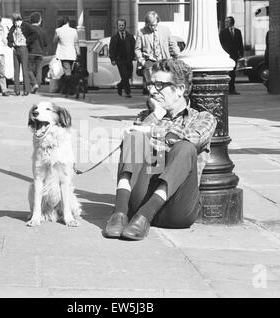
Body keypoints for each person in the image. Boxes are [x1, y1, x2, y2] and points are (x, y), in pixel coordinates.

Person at [103, 58, 217, 241]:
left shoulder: (203, 118)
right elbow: (136, 138)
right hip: (138, 204)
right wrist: (156, 116)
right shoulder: (145, 117)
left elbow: (191, 137)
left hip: (177, 209)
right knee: (134, 137)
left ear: (180, 89)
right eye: (150, 84)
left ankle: (147, 215)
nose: (152, 90)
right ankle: (119, 213)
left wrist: (152, 132)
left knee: (185, 148)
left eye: (159, 85)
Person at [134, 11, 180, 95]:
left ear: (158, 21)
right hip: (149, 60)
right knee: (152, 84)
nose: (153, 27)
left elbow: (172, 44)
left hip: (163, 59)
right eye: (150, 25)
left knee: (165, 82)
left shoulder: (165, 30)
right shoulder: (141, 32)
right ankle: (152, 97)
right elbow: (137, 50)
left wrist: (178, 55)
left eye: (154, 24)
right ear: (147, 23)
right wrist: (142, 61)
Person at [53, 16, 80, 96]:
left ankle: (70, 90)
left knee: (67, 72)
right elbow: (76, 43)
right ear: (68, 22)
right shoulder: (74, 31)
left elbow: (54, 41)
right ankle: (69, 89)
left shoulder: (58, 30)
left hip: (63, 54)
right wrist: (78, 53)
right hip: (72, 54)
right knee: (70, 71)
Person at [109, 18, 136, 98]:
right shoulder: (114, 37)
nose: (121, 27)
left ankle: (120, 85)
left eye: (122, 25)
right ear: (117, 26)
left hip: (129, 59)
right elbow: (111, 49)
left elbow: (134, 47)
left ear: (125, 26)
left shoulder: (130, 37)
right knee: (124, 75)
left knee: (128, 75)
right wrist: (112, 59)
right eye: (119, 25)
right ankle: (128, 92)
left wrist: (134, 56)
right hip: (119, 60)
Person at [7, 12, 32, 96]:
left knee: (24, 70)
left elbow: (34, 34)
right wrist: (10, 44)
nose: (14, 23)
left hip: (23, 48)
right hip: (15, 49)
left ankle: (26, 90)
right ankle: (16, 90)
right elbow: (9, 36)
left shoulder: (26, 25)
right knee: (16, 70)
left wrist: (27, 41)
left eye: (15, 21)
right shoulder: (13, 27)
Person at [219, 16, 244, 95]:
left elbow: (240, 43)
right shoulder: (223, 32)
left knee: (233, 73)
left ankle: (232, 89)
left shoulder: (238, 31)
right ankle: (226, 89)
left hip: (234, 54)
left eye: (227, 21)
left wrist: (241, 53)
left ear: (232, 22)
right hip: (226, 55)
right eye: (225, 21)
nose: (226, 23)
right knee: (227, 73)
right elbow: (220, 43)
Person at [27, 12, 48, 94]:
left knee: (28, 69)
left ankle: (34, 83)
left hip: (30, 52)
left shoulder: (28, 29)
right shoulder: (43, 30)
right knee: (39, 70)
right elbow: (46, 43)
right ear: (39, 21)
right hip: (40, 53)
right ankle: (37, 85)